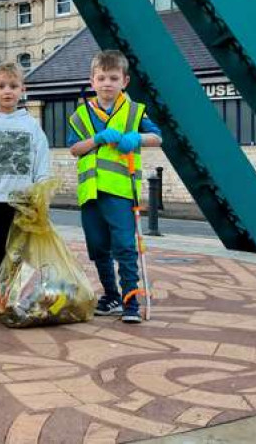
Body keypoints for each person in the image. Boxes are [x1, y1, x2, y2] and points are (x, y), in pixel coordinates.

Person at [68, 50, 162, 324]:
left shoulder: (135, 111)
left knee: (124, 245)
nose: (107, 83)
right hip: (90, 192)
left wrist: (137, 138)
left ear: (125, 81)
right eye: (101, 78)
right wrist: (97, 139)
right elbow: (75, 148)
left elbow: (157, 137)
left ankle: (130, 300)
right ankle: (111, 295)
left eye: (113, 78)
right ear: (92, 81)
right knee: (98, 246)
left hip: (121, 192)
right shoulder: (80, 115)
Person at [0, 62, 50, 290]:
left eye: (13, 86)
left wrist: (41, 197)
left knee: (21, 250)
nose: (7, 91)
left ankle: (15, 294)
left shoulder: (32, 126)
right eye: (1, 86)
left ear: (22, 89)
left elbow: (41, 163)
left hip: (23, 201)